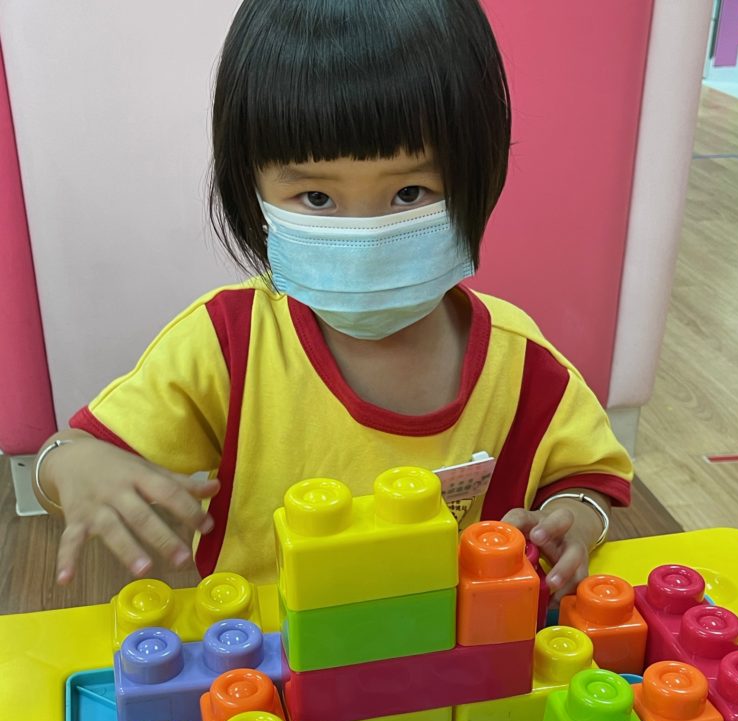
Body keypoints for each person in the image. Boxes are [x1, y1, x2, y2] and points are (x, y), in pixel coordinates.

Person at [33, 0, 632, 601]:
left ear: (479, 175)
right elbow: (70, 457)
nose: (364, 240)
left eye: (410, 191)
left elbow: (587, 476)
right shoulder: (226, 345)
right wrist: (74, 466)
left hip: (452, 646)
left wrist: (577, 519)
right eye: (317, 198)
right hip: (270, 649)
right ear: (250, 188)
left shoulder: (519, 362)